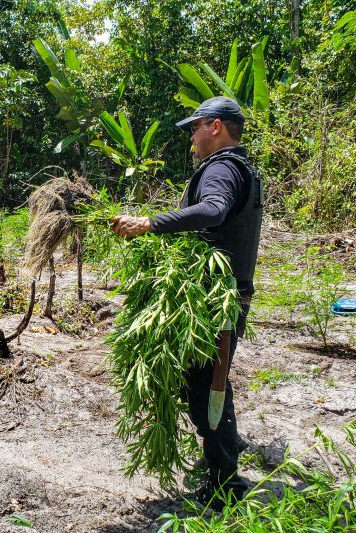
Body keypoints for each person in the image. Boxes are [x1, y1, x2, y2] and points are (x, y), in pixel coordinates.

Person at [110, 96, 263, 509]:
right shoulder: (243, 167)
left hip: (213, 301)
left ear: (215, 126)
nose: (191, 136)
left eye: (194, 128)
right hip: (221, 295)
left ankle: (224, 485)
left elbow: (212, 211)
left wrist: (149, 223)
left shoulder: (222, 168)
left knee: (208, 385)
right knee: (206, 380)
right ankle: (222, 452)